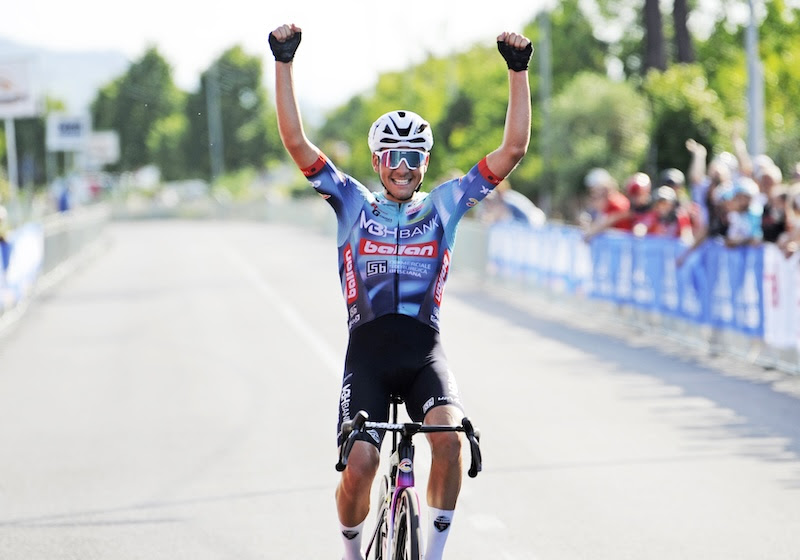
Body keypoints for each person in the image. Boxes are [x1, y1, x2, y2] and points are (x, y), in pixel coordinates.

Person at [269, 23, 532, 560]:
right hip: (367, 355)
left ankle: (433, 554)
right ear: (376, 162)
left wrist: (517, 72)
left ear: (426, 163)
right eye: (393, 156)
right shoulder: (352, 203)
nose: (404, 168)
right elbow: (296, 143)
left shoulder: (444, 205)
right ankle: (351, 553)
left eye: (415, 157)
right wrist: (283, 62)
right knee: (361, 464)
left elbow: (513, 149)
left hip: (422, 353)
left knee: (450, 443)